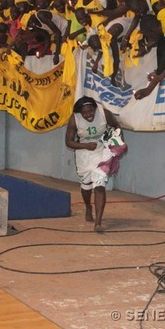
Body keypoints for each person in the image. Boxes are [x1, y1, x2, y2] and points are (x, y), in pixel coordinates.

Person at [65, 96, 124, 232]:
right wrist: (85, 145)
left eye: (91, 111)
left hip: (101, 150)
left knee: (99, 184)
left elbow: (117, 127)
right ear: (80, 112)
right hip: (84, 153)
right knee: (86, 186)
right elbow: (68, 142)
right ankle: (88, 206)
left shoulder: (104, 114)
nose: (88, 115)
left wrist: (118, 144)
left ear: (95, 109)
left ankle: (98, 222)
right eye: (85, 112)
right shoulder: (74, 119)